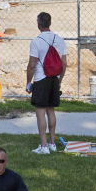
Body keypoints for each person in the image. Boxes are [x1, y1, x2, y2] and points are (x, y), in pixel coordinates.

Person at [26, 12, 68, 155]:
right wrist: (59, 80)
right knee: (51, 111)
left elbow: (32, 65)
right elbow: (64, 63)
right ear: (50, 23)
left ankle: (43, 146)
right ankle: (52, 143)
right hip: (54, 79)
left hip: (41, 79)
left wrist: (28, 82)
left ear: (38, 24)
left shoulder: (36, 41)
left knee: (40, 112)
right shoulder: (60, 40)